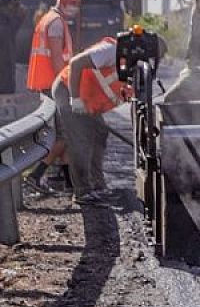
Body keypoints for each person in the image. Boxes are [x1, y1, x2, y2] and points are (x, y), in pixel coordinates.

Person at [53, 35, 158, 204]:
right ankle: (83, 192)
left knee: (100, 134)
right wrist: (75, 99)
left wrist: (141, 138)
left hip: (89, 101)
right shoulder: (112, 50)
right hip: (69, 91)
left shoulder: (136, 69)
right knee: (81, 140)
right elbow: (76, 63)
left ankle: (97, 186)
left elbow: (136, 105)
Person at [24, 0, 81, 192]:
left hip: (48, 84)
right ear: (61, 0)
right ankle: (35, 175)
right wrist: (70, 86)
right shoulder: (56, 23)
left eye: (77, 4)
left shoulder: (47, 19)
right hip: (55, 85)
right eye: (71, 3)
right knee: (63, 136)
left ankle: (68, 183)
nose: (74, 7)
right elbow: (58, 60)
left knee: (62, 136)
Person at [0, 0, 26, 94]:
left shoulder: (7, 21)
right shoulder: (3, 26)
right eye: (14, 5)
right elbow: (8, 32)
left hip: (7, 78)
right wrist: (20, 18)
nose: (16, 9)